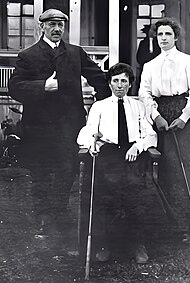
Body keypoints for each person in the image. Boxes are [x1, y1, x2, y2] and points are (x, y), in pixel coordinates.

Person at [8, 9, 111, 234]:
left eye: (61, 25)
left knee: (68, 169)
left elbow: (99, 78)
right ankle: (44, 217)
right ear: (41, 27)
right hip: (39, 127)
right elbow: (14, 87)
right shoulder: (28, 55)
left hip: (69, 125)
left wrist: (103, 105)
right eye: (52, 24)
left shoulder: (75, 53)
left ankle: (59, 211)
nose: (57, 29)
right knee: (42, 172)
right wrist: (43, 87)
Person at [138, 17, 190, 242]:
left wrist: (184, 117)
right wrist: (156, 116)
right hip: (161, 114)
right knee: (167, 169)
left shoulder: (189, 61)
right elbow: (144, 93)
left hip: (183, 112)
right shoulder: (150, 65)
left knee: (185, 168)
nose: (163, 39)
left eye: (168, 34)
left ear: (176, 37)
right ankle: (171, 227)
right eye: (160, 35)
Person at [77, 63, 157, 263]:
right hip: (108, 154)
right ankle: (105, 244)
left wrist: (137, 146)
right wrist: (92, 144)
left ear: (130, 84)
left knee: (136, 198)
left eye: (124, 81)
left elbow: (149, 133)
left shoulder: (137, 106)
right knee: (106, 198)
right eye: (116, 81)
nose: (120, 85)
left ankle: (137, 244)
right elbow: (86, 132)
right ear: (110, 83)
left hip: (132, 155)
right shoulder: (100, 106)